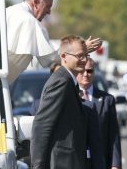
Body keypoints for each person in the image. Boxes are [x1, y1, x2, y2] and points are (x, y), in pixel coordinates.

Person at [0, 0, 102, 84]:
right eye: (48, 6)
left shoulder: (8, 11)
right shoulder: (29, 21)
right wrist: (82, 48)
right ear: (37, 1)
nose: (49, 12)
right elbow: (51, 60)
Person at [30, 34, 89, 169]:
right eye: (79, 56)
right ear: (63, 57)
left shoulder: (67, 80)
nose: (84, 60)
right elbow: (42, 125)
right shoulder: (61, 82)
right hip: (61, 162)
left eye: (86, 56)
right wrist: (38, 166)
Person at [76, 57, 122, 169]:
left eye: (90, 71)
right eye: (82, 70)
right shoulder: (69, 97)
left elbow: (113, 134)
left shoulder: (107, 99)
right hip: (75, 161)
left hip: (100, 161)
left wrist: (115, 164)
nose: (86, 74)